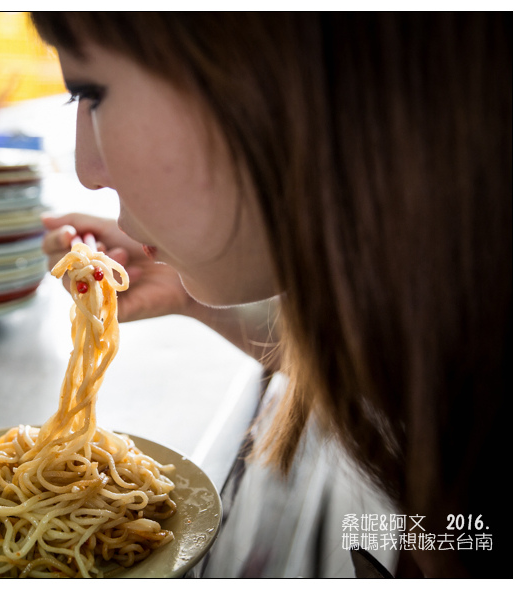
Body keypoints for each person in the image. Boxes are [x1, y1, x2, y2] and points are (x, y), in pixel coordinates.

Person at [30, 12, 511, 578]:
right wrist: (193, 296)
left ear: (274, 73)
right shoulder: (448, 332)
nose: (88, 170)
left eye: (90, 92)